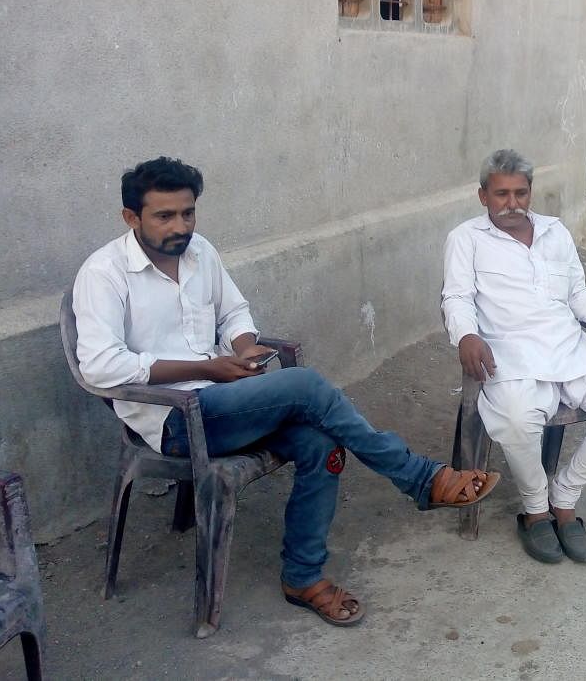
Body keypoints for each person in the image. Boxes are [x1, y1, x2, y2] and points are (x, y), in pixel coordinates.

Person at [72, 157, 499, 628]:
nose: (181, 226)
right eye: (164, 216)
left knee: (323, 445)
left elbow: (234, 312)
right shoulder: (104, 273)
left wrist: (245, 349)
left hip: (230, 401)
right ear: (131, 218)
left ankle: (302, 576)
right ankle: (421, 478)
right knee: (306, 385)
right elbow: (99, 365)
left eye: (188, 213)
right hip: (175, 421)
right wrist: (206, 368)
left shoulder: (200, 253)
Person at [441, 149, 586, 564]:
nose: (512, 204)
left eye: (520, 193)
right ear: (483, 196)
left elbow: (577, 294)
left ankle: (564, 501)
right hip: (509, 354)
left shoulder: (554, 232)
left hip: (567, 347)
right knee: (516, 419)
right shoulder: (466, 239)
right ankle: (535, 511)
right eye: (501, 195)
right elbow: (456, 298)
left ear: (530, 193)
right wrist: (467, 335)